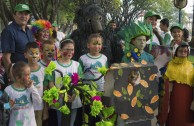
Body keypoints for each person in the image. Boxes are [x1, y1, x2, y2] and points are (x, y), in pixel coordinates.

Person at [44, 39, 82, 126]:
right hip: (59, 99)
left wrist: (74, 95)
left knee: (71, 123)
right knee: (60, 122)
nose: (70, 52)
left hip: (73, 99)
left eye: (72, 49)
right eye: (67, 49)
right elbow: (50, 82)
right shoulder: (53, 64)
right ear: (60, 50)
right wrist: (61, 94)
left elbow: (79, 83)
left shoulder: (76, 65)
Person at [157, 42, 194, 126]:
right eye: (180, 51)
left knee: (186, 120)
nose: (183, 54)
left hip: (188, 100)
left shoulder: (191, 67)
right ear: (175, 52)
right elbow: (166, 87)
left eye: (185, 52)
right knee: (174, 118)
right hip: (174, 99)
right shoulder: (170, 65)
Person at [0, 61, 41, 126]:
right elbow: (4, 110)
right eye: (27, 75)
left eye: (29, 74)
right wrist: (8, 105)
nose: (29, 77)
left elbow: (38, 102)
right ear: (18, 78)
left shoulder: (30, 88)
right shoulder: (8, 90)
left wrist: (31, 88)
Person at [1, 4, 34, 82]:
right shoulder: (9, 31)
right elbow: (6, 57)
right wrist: (12, 78)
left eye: (26, 14)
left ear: (29, 16)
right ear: (14, 15)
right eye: (20, 13)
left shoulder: (28, 31)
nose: (23, 16)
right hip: (17, 76)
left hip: (28, 74)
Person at [24, 42, 44, 126]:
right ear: (25, 55)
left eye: (36, 53)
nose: (34, 56)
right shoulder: (23, 70)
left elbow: (45, 87)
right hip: (26, 101)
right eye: (31, 53)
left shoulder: (43, 70)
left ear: (40, 55)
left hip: (39, 101)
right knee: (27, 119)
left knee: (38, 117)